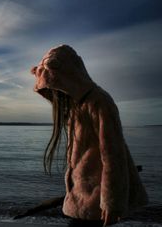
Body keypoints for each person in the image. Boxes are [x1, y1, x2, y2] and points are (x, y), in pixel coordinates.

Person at [30, 45, 148, 226]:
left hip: (96, 204)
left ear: (69, 76)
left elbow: (113, 156)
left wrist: (111, 203)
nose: (57, 93)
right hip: (79, 198)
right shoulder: (76, 107)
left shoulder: (99, 101)